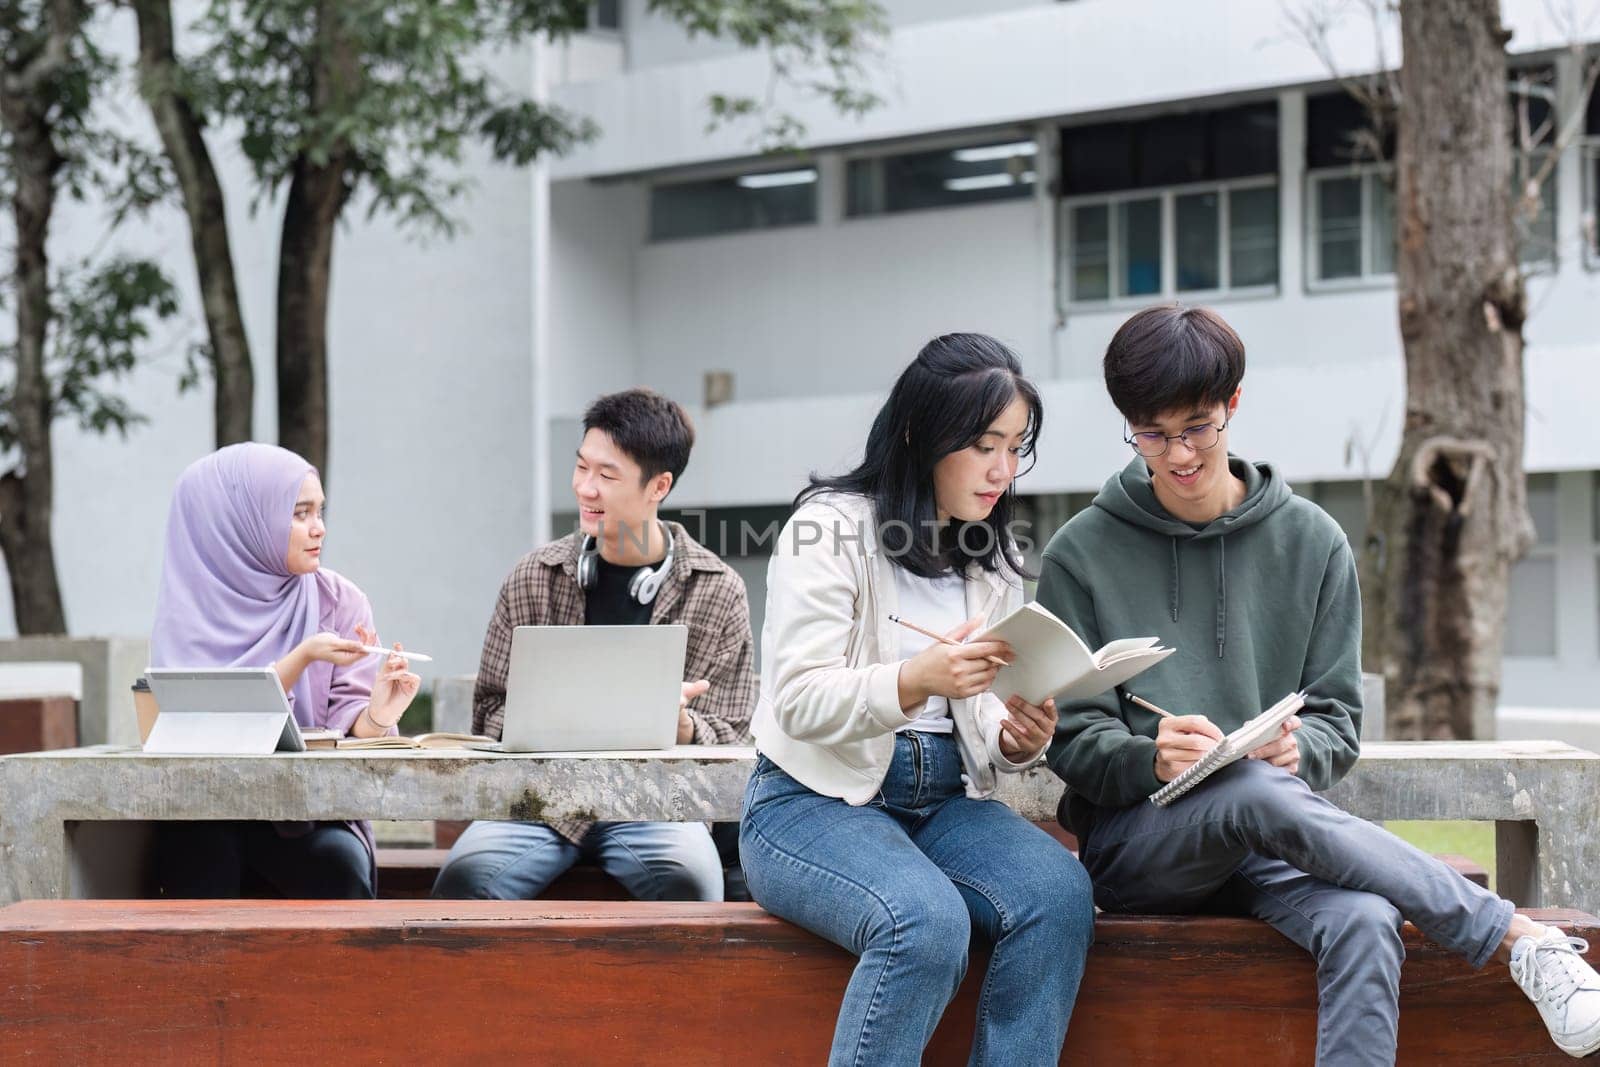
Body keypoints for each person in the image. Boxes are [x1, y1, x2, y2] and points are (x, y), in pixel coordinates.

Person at [1038, 304, 1600, 1064]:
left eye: (1197, 426)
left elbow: (1338, 715)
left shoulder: (1313, 543)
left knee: (1366, 921)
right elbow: (1073, 738)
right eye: (1152, 432)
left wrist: (1300, 756)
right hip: (1144, 848)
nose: (1176, 454)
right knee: (1249, 794)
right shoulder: (1081, 552)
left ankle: (1520, 943)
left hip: (1277, 841)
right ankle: (1519, 938)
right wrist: (1151, 757)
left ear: (1233, 404)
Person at [739, 334, 1095, 1066]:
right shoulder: (829, 528)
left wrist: (1015, 735)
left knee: (1058, 894)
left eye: (1016, 447)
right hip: (809, 802)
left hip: (942, 801)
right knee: (923, 923)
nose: (1002, 469)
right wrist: (915, 679)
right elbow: (798, 699)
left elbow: (980, 708)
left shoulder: (988, 554)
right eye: (984, 445)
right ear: (919, 433)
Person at [433, 388, 757, 901]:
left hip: (654, 804)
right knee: (464, 883)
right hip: (537, 801)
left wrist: (687, 727)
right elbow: (489, 710)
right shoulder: (533, 576)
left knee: (691, 883)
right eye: (581, 468)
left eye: (607, 476)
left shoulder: (717, 590)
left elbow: (737, 736)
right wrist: (544, 718)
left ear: (660, 486)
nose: (585, 488)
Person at [149, 442, 420, 898]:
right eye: (300, 514)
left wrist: (376, 715)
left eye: (320, 512)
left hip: (306, 816)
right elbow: (197, 730)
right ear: (238, 525)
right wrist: (300, 660)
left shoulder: (340, 601)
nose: (319, 529)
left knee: (338, 863)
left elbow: (351, 726)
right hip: (206, 811)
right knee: (200, 849)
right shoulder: (186, 615)